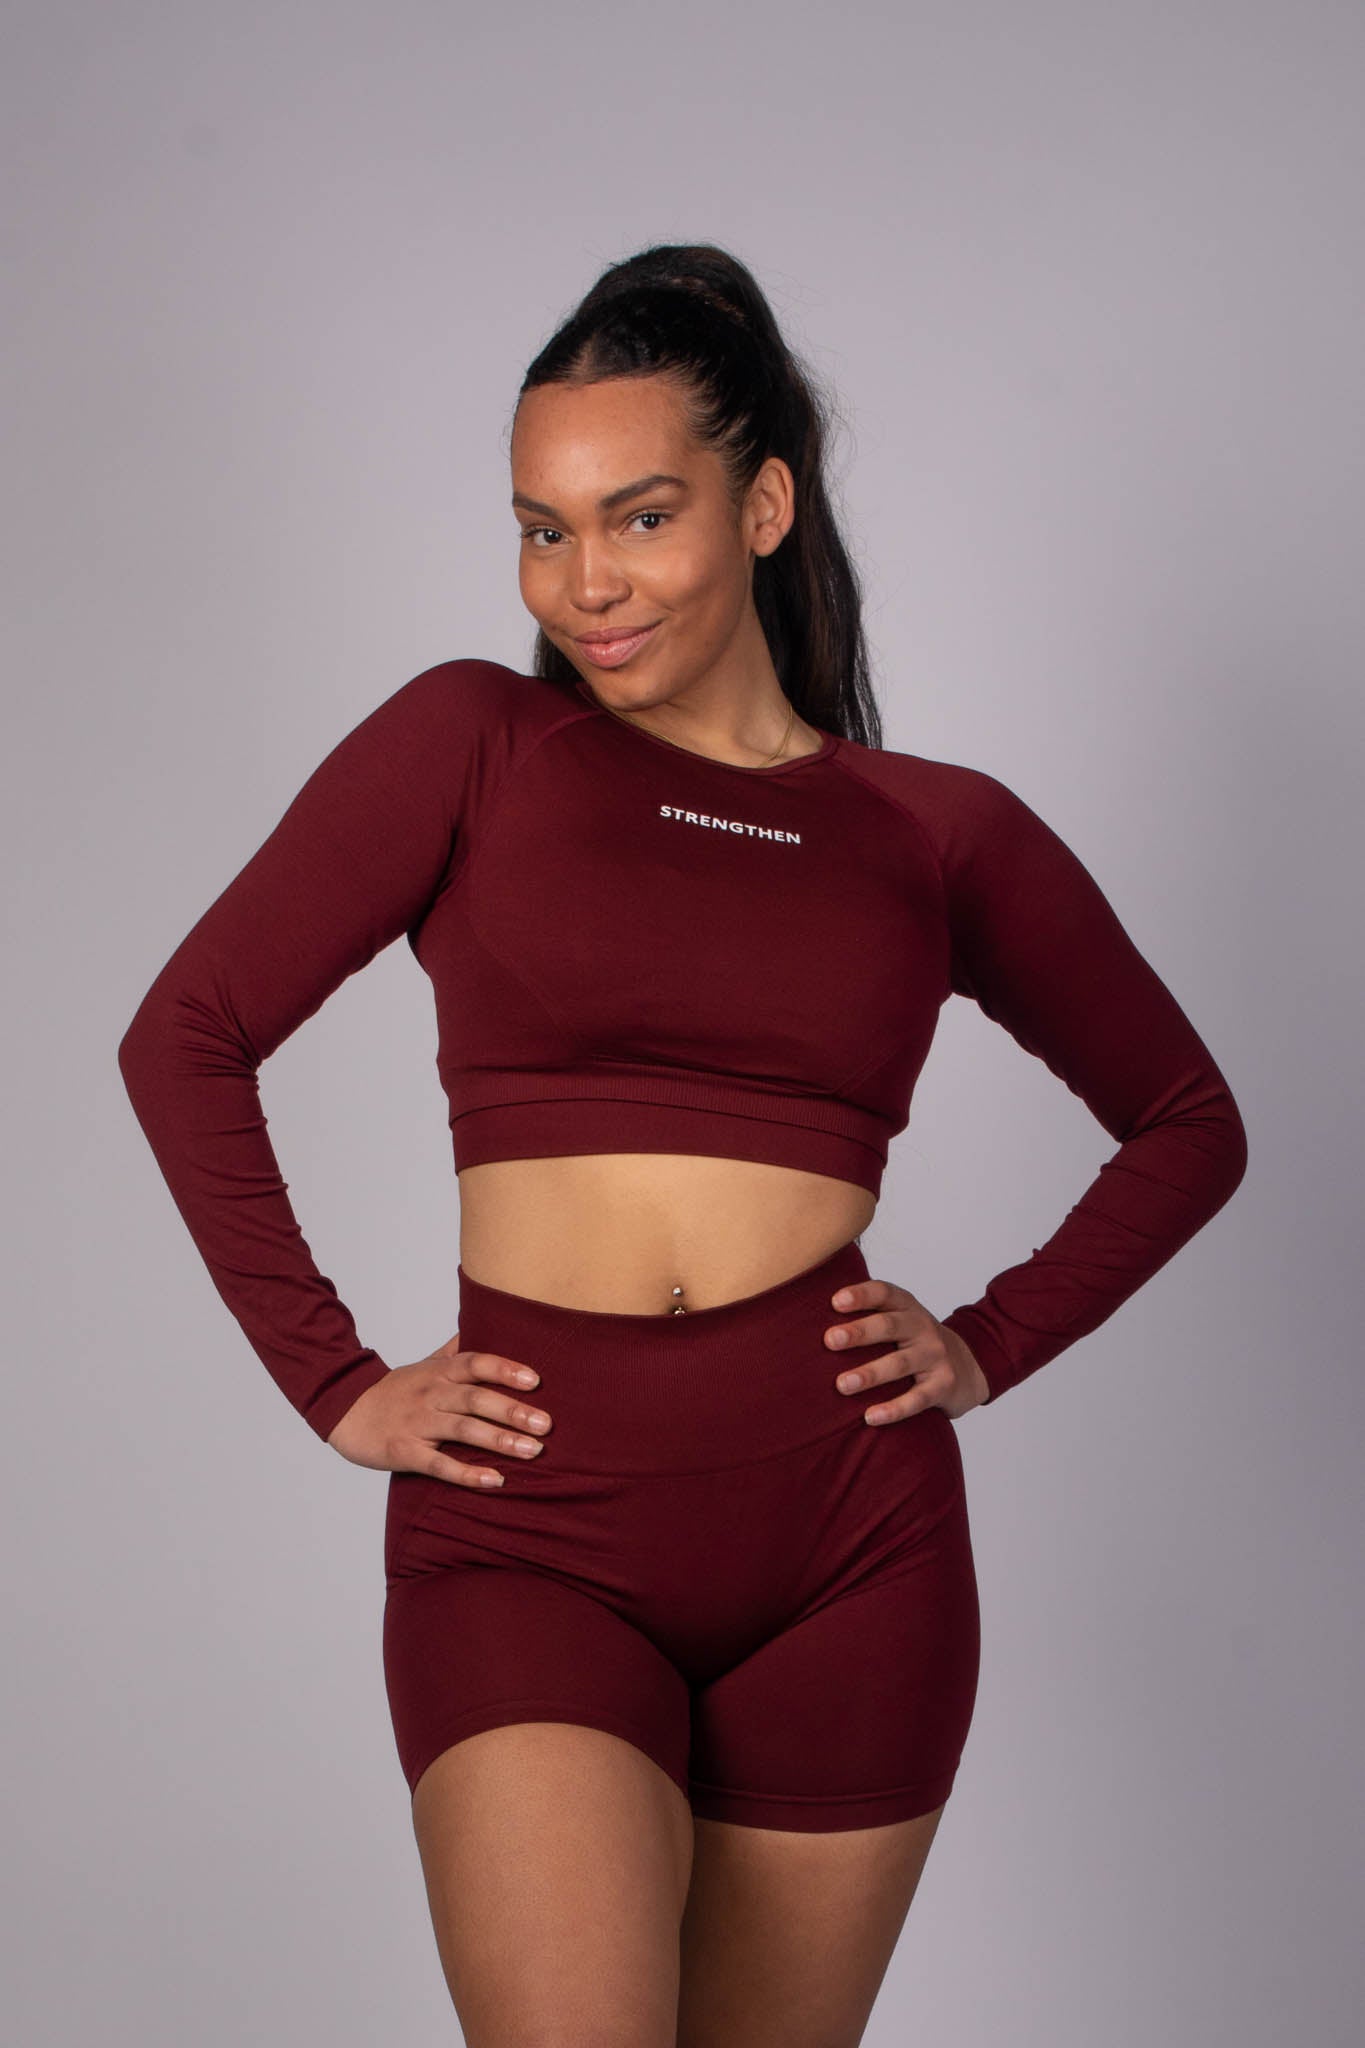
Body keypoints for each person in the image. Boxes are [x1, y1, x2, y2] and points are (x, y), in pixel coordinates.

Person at [117, 242, 1248, 2048]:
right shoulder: (471, 745)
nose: (585, 581)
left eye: (638, 518)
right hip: (529, 1534)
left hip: (850, 1548)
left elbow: (1187, 1122)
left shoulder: (932, 831)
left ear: (762, 506)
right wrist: (331, 1381)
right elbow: (185, 1034)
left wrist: (991, 1340)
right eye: (542, 529)